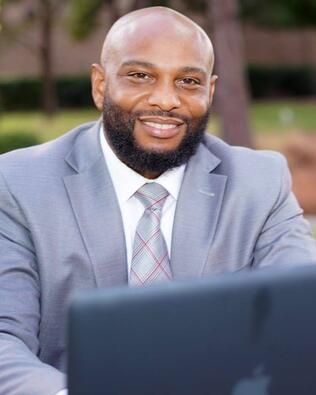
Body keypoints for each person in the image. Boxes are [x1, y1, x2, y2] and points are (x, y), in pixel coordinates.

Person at [0, 6, 315, 395]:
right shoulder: (17, 185)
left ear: (210, 91)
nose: (167, 99)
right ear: (100, 85)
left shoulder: (259, 184)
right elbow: (4, 337)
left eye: (188, 81)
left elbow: (302, 314)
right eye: (140, 75)